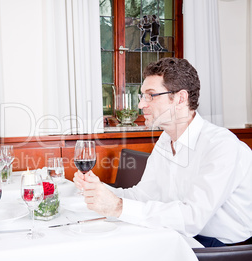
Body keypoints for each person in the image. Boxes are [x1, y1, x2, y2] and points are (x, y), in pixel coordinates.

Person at [74, 57, 252, 247]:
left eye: (150, 95)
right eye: (142, 96)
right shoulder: (165, 140)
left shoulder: (221, 146)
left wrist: (118, 206)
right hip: (179, 235)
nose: (141, 105)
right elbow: (143, 196)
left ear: (180, 98)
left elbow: (191, 219)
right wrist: (99, 190)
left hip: (222, 250)